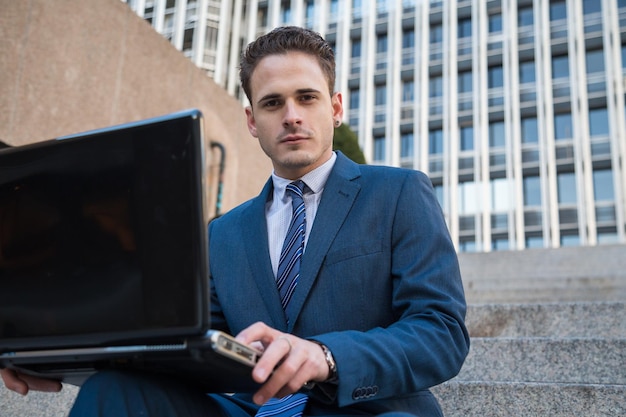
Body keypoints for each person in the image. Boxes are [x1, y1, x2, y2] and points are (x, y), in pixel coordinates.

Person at [1, 26, 469, 417]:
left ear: (336, 107)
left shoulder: (399, 192)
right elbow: (187, 346)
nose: (291, 116)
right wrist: (59, 358)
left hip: (369, 411)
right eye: (272, 103)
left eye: (307, 98)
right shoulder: (223, 233)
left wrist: (325, 355)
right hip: (256, 411)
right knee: (113, 392)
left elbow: (440, 331)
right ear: (251, 120)